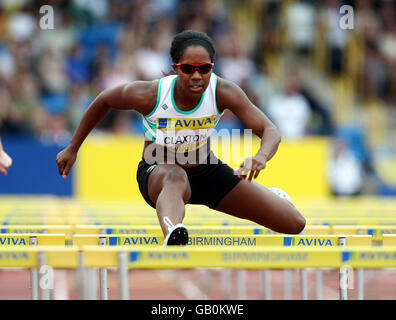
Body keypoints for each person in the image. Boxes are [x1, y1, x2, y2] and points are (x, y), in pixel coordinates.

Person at [56, 30, 306, 246]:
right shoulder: (151, 94)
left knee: (294, 224)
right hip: (159, 172)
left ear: (212, 68)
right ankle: (173, 234)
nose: (196, 76)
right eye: (188, 69)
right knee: (176, 176)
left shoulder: (224, 92)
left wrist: (261, 157)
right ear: (176, 68)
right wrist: (73, 148)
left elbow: (270, 130)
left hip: (207, 171)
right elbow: (104, 101)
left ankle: (274, 198)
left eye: (204, 69)